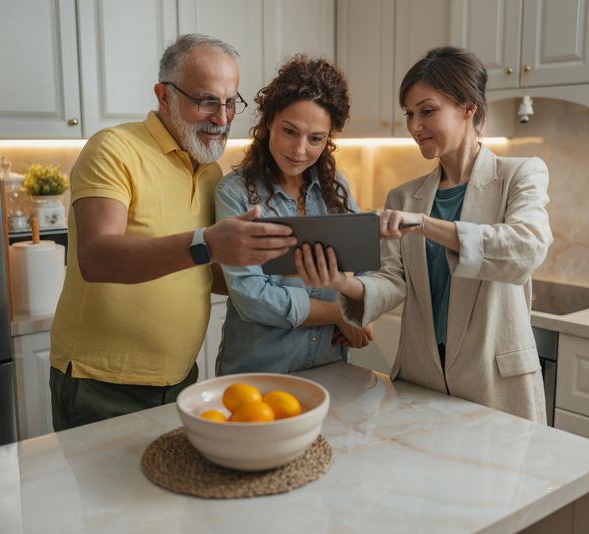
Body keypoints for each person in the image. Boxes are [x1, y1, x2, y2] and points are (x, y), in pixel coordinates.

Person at [49, 34, 297, 430]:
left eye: (231, 102)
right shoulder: (114, 148)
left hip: (181, 378)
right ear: (164, 96)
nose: (222, 117)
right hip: (101, 384)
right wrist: (208, 243)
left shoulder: (211, 170)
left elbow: (203, 270)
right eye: (205, 101)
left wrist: (279, 268)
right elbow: (96, 257)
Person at [296, 46, 553, 423]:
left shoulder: (520, 175)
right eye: (409, 114)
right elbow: (392, 281)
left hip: (495, 384)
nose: (414, 126)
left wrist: (425, 224)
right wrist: (342, 283)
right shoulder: (403, 196)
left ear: (468, 107)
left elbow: (525, 250)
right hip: (422, 381)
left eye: (427, 111)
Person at [214, 55, 372, 376]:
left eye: (315, 139)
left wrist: (361, 310)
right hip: (258, 373)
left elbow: (369, 264)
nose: (300, 150)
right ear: (269, 120)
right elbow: (251, 296)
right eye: (290, 131)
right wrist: (340, 313)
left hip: (329, 368)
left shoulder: (336, 188)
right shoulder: (235, 194)